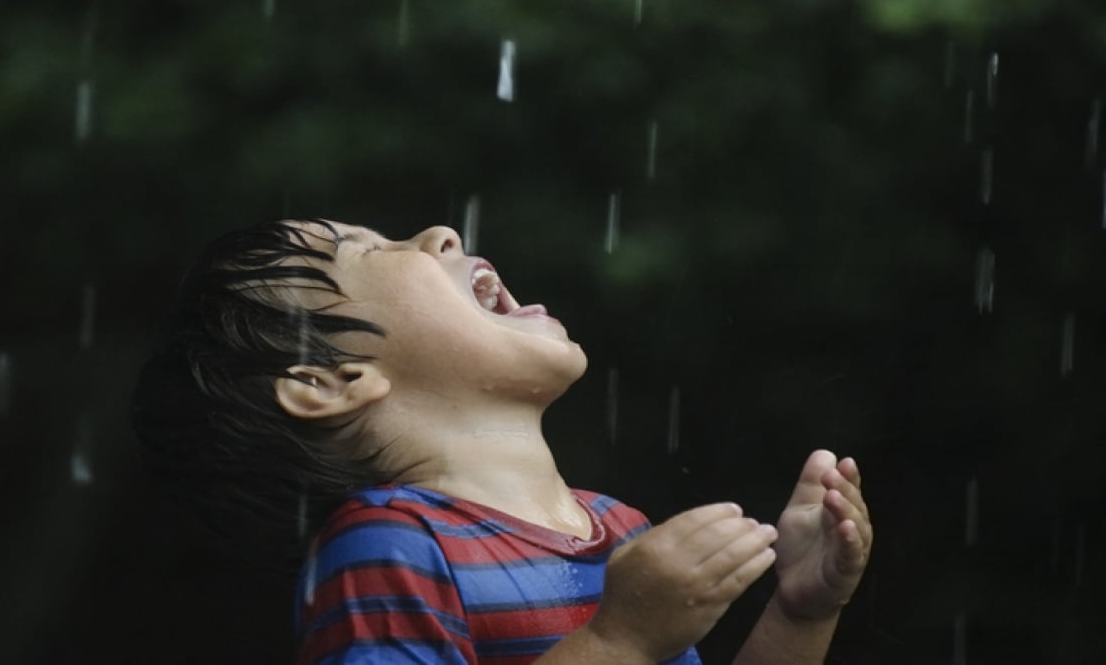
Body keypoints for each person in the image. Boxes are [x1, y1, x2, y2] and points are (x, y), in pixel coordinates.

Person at [133, 218, 873, 665]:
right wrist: (617, 642)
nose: (441, 234)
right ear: (333, 381)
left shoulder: (619, 534)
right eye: (367, 249)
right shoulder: (390, 543)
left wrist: (800, 613)